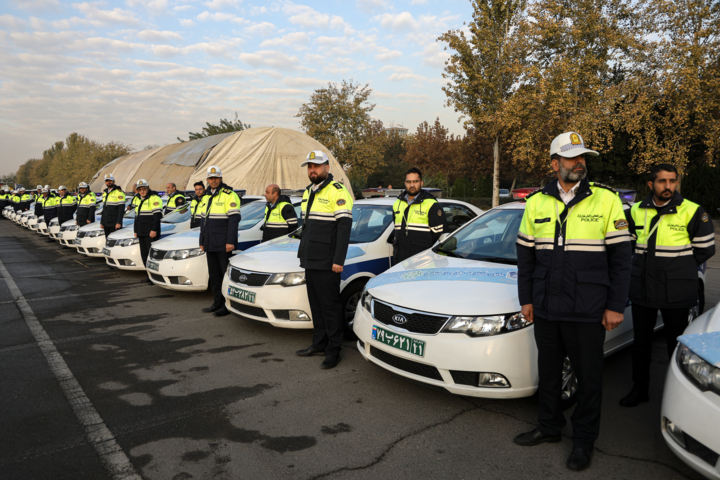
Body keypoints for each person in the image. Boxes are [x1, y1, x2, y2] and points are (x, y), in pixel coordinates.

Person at [514, 131, 632, 471]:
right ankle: (549, 427)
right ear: (555, 164)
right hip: (547, 306)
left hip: (588, 308)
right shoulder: (536, 202)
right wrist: (527, 299)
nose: (579, 162)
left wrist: (614, 305)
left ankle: (583, 441)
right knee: (549, 373)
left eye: (582, 158)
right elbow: (526, 257)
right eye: (571, 157)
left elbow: (622, 260)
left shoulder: (607, 201)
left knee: (589, 378)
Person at [620, 164, 716, 407]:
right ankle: (640, 389)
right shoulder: (635, 212)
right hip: (642, 289)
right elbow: (629, 245)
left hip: (676, 291)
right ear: (650, 184)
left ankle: (677, 396)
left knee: (676, 344)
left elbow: (705, 249)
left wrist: (679, 269)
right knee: (640, 344)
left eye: (672, 181)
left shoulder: (693, 211)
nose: (668, 186)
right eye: (662, 181)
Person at [295, 151, 354, 370]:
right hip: (310, 259)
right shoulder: (308, 192)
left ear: (327, 167)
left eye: (317, 166)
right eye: (310, 166)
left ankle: (334, 351)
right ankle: (319, 344)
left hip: (328, 261)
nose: (313, 170)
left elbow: (344, 228)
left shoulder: (337, 191)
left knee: (330, 307)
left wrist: (339, 260)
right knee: (316, 306)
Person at [199, 166, 241, 317]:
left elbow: (234, 220)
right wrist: (202, 241)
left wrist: (230, 241)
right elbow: (203, 221)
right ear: (207, 180)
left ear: (221, 179)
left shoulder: (229, 195)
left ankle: (226, 305)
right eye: (211, 178)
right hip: (210, 243)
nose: (213, 180)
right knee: (214, 275)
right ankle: (217, 302)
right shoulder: (205, 196)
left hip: (223, 243)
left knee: (224, 276)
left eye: (216, 178)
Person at [392, 167, 446, 264]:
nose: (412, 185)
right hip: (400, 261)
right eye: (408, 182)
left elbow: (437, 234)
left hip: (423, 262)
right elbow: (397, 230)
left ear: (421, 183)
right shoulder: (397, 204)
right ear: (405, 183)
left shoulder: (432, 204)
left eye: (415, 181)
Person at [132, 179, 163, 283]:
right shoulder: (137, 199)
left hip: (150, 232)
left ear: (148, 188)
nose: (142, 191)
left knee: (152, 256)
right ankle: (149, 276)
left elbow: (157, 216)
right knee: (144, 255)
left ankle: (155, 276)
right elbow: (137, 217)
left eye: (144, 189)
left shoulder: (154, 198)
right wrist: (135, 230)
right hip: (141, 232)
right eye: (140, 189)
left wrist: (154, 230)